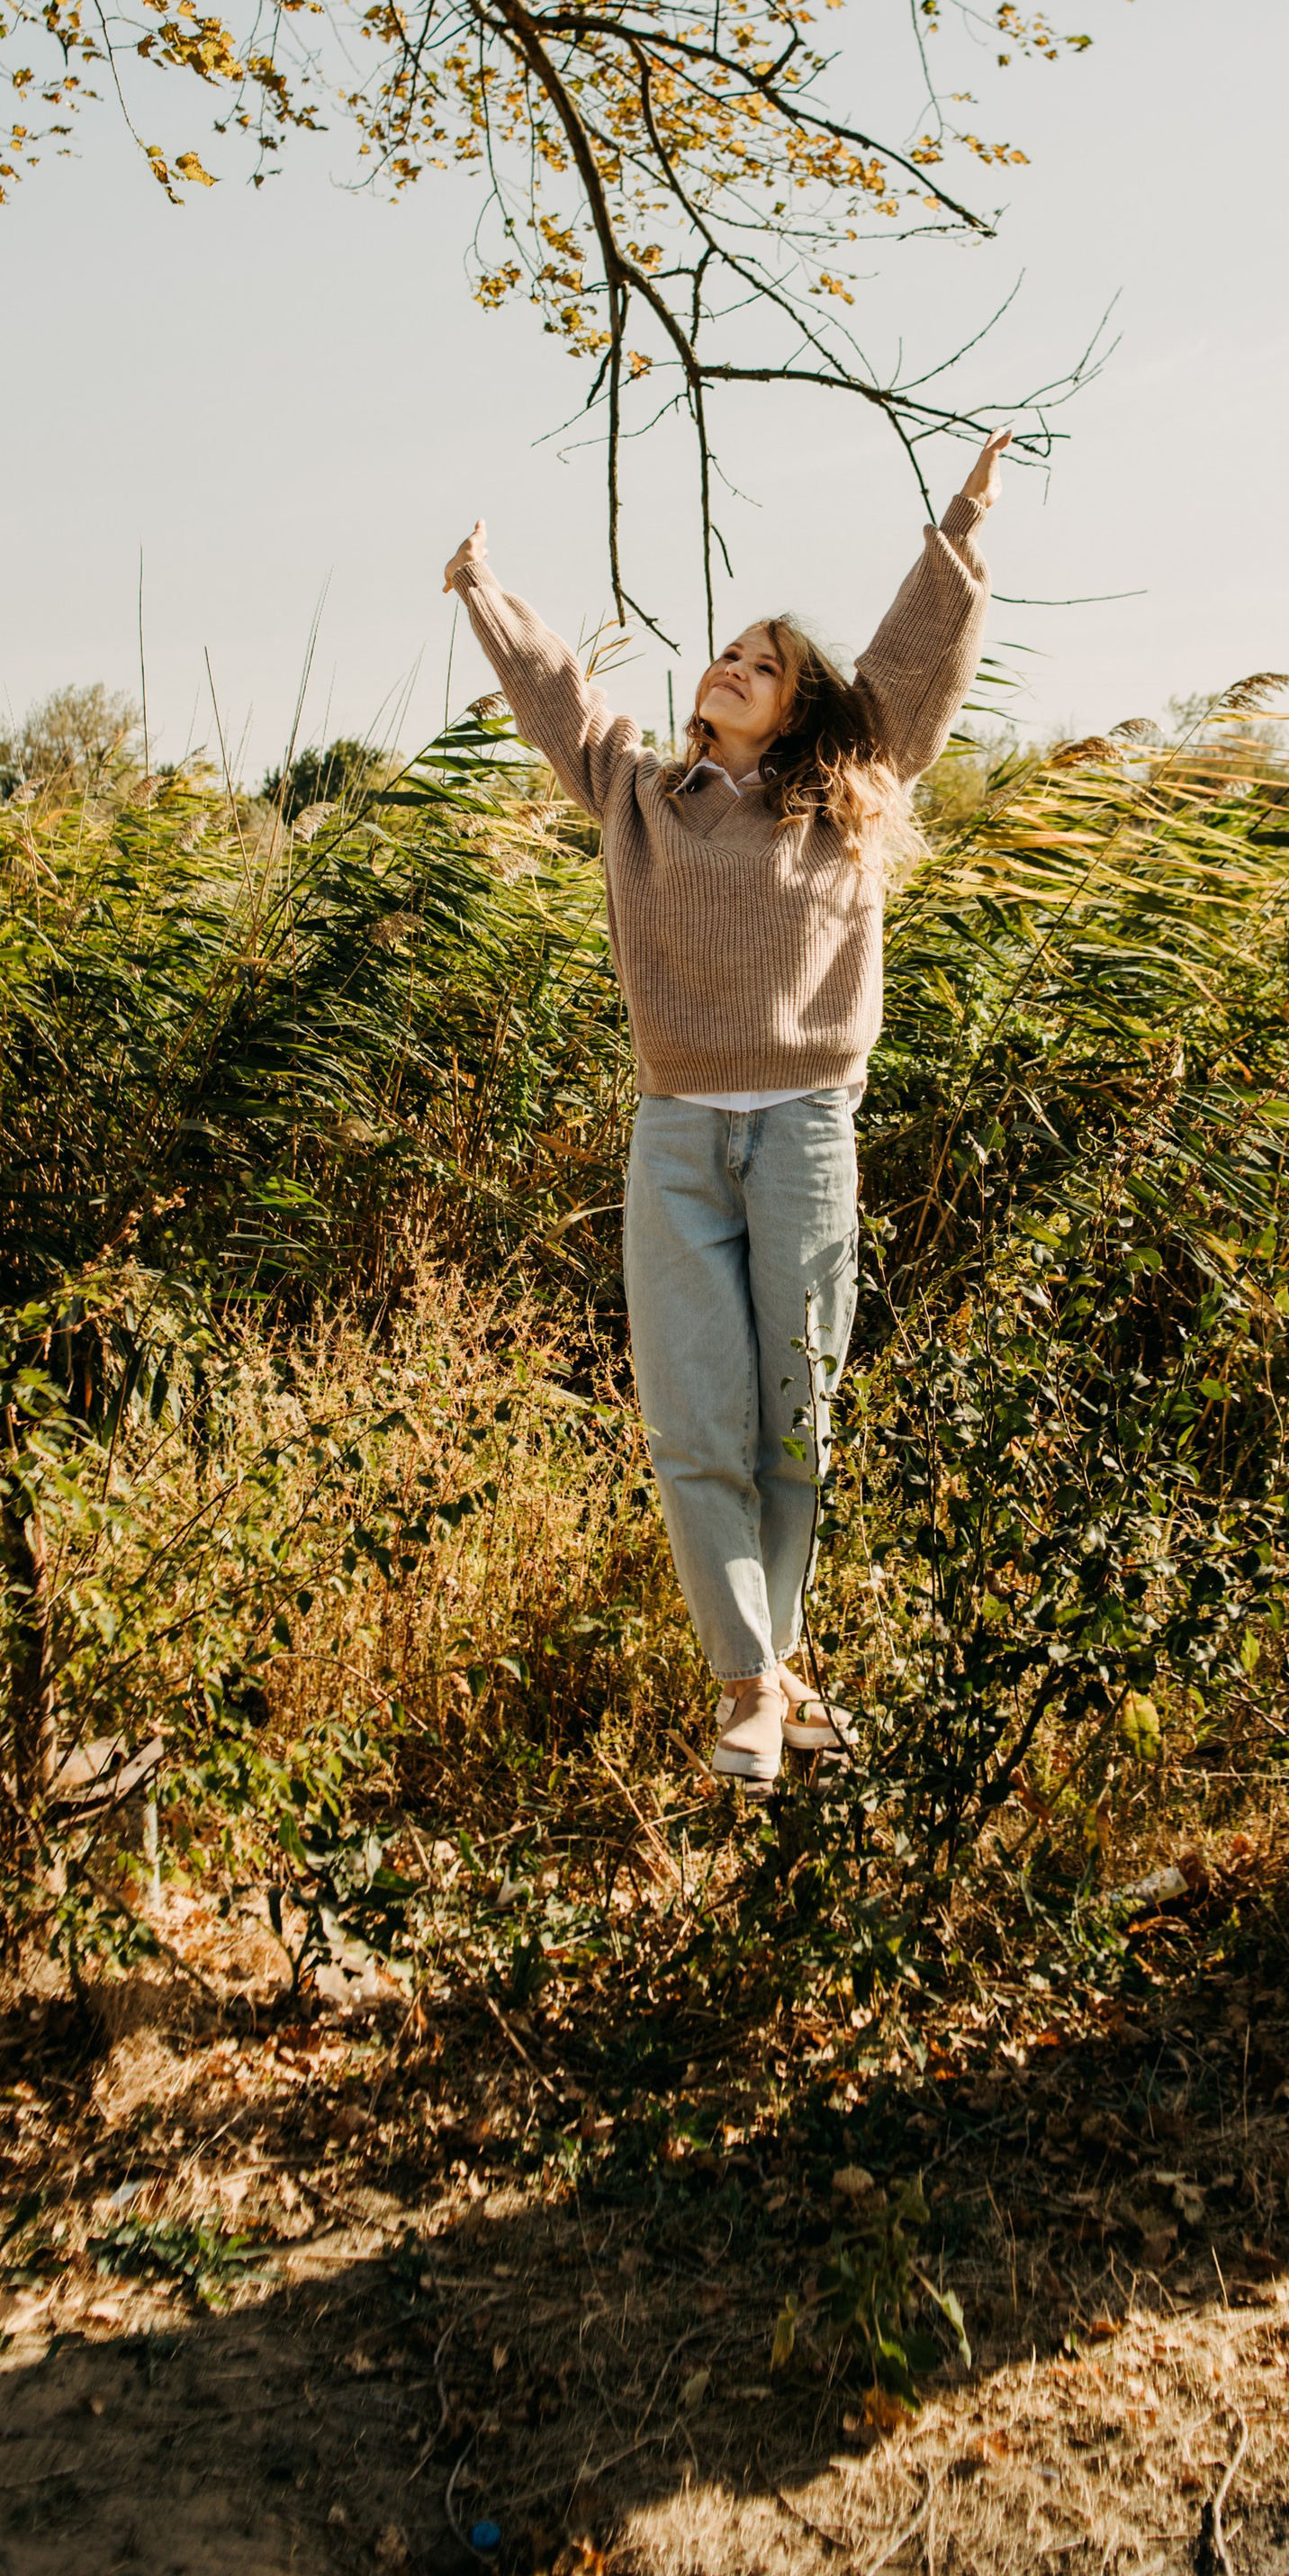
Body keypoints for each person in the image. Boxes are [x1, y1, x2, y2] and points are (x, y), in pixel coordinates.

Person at [443, 429, 1009, 1789]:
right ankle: (753, 1685)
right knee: (696, 1423)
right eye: (728, 652)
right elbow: (558, 696)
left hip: (809, 1132)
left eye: (765, 661)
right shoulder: (640, 797)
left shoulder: (849, 801)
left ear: (801, 707)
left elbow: (912, 668)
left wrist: (965, 523)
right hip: (680, 1140)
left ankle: (774, 1678)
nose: (731, 667)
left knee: (794, 1418)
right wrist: (484, 590)